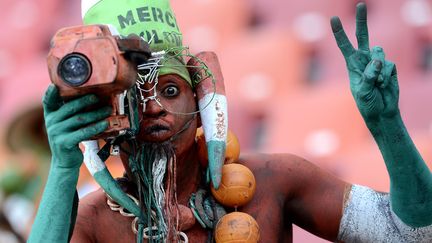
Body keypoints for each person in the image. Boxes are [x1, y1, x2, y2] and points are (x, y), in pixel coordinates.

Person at [28, 1, 432, 242]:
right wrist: (65, 166)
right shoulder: (93, 223)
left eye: (170, 91)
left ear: (202, 97)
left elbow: (411, 234)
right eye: (135, 98)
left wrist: (387, 125)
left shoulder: (274, 180)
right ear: (109, 118)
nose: (152, 109)